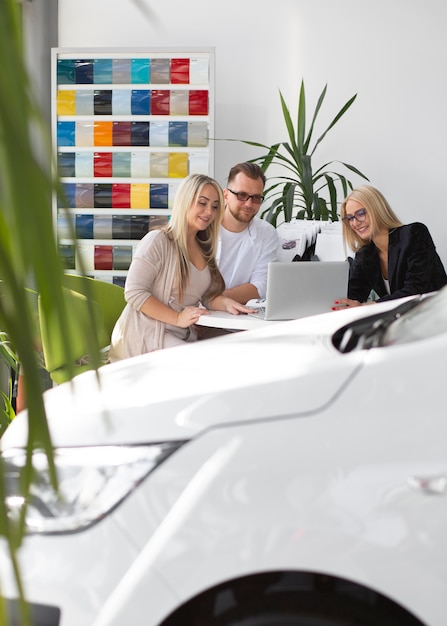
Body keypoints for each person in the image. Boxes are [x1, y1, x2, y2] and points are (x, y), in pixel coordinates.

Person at [109, 174, 254, 361]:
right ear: (185, 201)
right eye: (202, 203)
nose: (209, 212)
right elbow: (134, 292)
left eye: (215, 206)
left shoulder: (204, 247)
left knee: (240, 349)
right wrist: (178, 319)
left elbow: (208, 296)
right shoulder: (158, 241)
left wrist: (228, 304)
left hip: (183, 333)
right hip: (149, 335)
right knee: (209, 362)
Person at [332, 185, 447, 310]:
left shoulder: (414, 234)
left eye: (360, 213)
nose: (355, 223)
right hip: (405, 321)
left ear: (376, 209)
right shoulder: (365, 254)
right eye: (350, 218)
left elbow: (415, 290)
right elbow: (353, 296)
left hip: (437, 317)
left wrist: (366, 306)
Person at [217, 162, 279, 304]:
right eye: (242, 195)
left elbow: (261, 287)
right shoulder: (204, 226)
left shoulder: (267, 233)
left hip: (240, 321)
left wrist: (217, 300)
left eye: (256, 198)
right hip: (196, 318)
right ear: (225, 195)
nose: (249, 204)